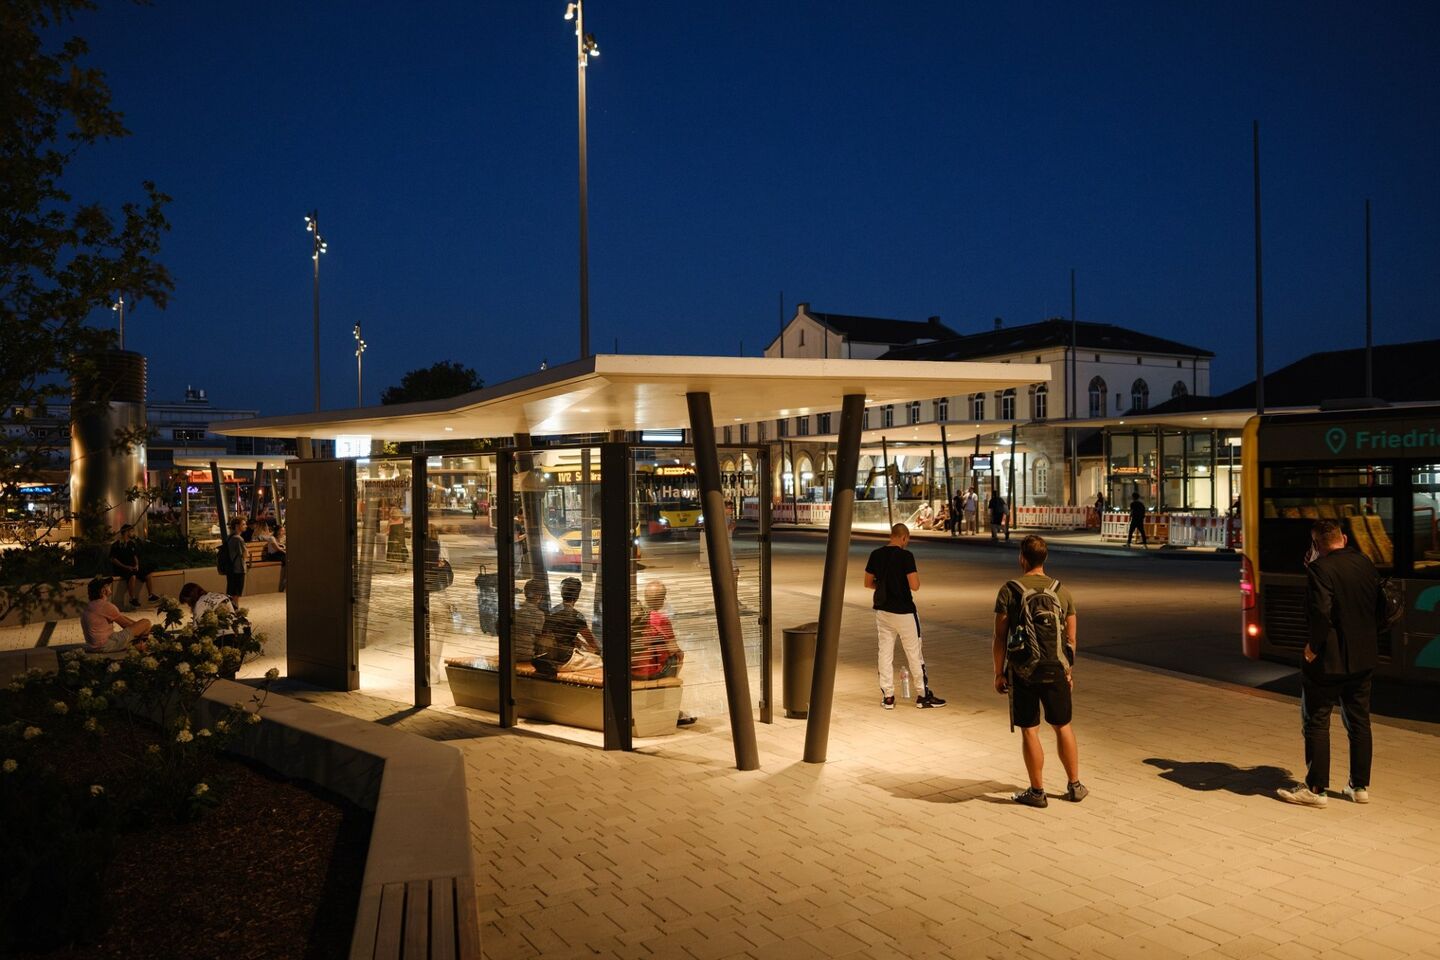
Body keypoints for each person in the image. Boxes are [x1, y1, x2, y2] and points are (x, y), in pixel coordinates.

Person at [1277, 519, 1380, 808]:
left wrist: (1313, 646)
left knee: (1317, 721)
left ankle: (1316, 789)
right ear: (1343, 538)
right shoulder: (1364, 562)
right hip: (1364, 656)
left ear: (1316, 544)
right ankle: (1359, 787)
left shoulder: (1319, 569)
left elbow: (1320, 612)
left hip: (1329, 660)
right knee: (1359, 721)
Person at [992, 535, 1086, 807]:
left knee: (1030, 730)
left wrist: (999, 673)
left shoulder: (1010, 590)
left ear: (1022, 558)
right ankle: (1075, 786)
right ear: (1045, 558)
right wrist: (1067, 671)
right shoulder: (1062, 591)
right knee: (1063, 726)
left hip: (1023, 671)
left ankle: (1037, 792)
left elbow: (1000, 637)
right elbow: (1071, 639)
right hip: (1056, 669)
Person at [864, 523, 945, 709]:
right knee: (914, 654)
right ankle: (923, 695)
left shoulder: (876, 554)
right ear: (904, 537)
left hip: (883, 612)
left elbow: (868, 583)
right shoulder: (906, 556)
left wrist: (884, 587)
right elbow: (915, 585)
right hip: (905, 613)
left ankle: (888, 697)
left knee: (885, 653)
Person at [534, 576, 600, 676]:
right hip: (565, 658)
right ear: (577, 596)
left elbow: (549, 634)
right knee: (598, 661)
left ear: (562, 593)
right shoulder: (577, 616)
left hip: (549, 655)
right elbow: (591, 642)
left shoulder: (552, 611)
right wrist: (599, 652)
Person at [81, 577, 152, 653]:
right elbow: (126, 624)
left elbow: (121, 617)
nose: (110, 586)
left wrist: (137, 626)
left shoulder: (90, 605)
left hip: (93, 646)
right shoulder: (105, 606)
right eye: (107, 585)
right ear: (103, 591)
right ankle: (142, 645)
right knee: (146, 623)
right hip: (106, 644)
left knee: (140, 626)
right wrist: (141, 627)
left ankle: (137, 645)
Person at [108, 523, 157, 607]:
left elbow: (135, 556)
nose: (133, 533)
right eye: (131, 531)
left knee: (148, 573)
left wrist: (137, 565)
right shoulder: (116, 545)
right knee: (132, 576)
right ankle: (132, 598)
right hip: (122, 568)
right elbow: (113, 559)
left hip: (132, 567)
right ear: (126, 532)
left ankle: (150, 595)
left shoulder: (131, 543)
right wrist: (126, 567)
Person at [513, 578, 549, 664]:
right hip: (526, 655)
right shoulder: (539, 614)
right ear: (539, 596)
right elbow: (537, 639)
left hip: (511, 653)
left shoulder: (515, 609)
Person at [222, 517, 247, 606]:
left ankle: (230, 608)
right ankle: (235, 608)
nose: (245, 526)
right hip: (238, 568)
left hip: (231, 567)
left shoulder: (230, 537)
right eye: (243, 524)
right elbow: (244, 554)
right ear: (237, 526)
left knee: (231, 590)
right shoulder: (238, 539)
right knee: (236, 591)